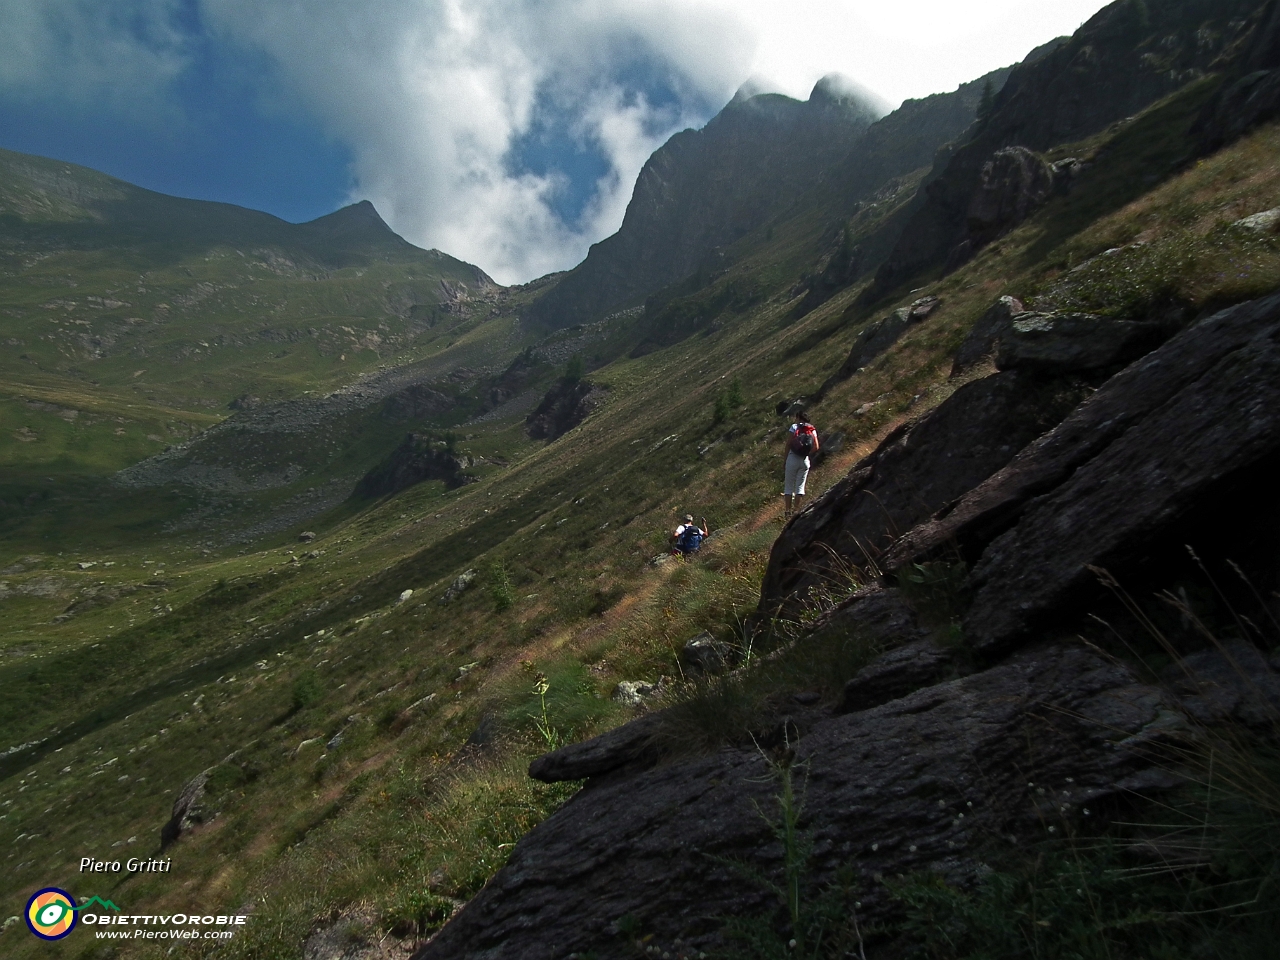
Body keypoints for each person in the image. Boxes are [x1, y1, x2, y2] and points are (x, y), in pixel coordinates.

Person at [782, 411, 819, 520]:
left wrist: (785, 460)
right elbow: (816, 447)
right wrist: (805, 452)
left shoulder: (794, 427)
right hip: (805, 460)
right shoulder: (812, 429)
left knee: (788, 487)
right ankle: (796, 512)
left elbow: (788, 444)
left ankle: (787, 513)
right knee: (800, 487)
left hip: (792, 458)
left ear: (798, 418)